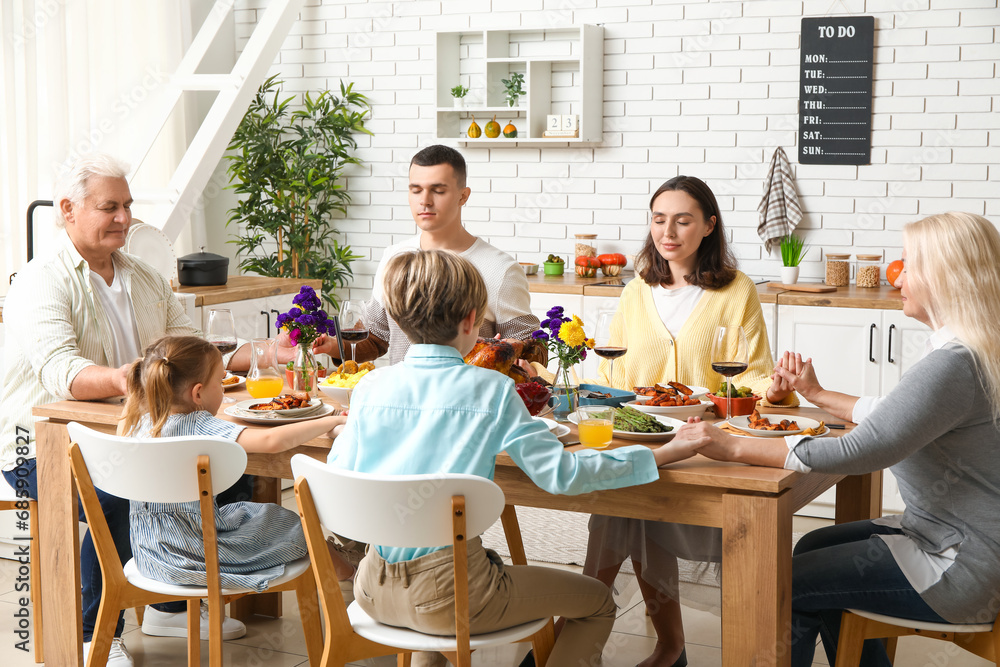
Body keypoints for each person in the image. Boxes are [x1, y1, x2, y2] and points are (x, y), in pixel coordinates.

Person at [326, 249, 710, 667]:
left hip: (373, 589)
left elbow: (340, 478)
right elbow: (562, 476)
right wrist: (663, 454)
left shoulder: (369, 388)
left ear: (397, 321)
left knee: (433, 623)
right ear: (471, 320)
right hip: (450, 594)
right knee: (597, 602)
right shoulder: (490, 390)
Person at [0, 154, 294, 666]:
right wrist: (131, 379)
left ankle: (169, 604)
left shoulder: (143, 276)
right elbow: (61, 371)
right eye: (109, 207)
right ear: (68, 209)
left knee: (229, 472)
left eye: (128, 206)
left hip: (138, 434)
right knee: (119, 494)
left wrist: (273, 352)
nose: (123, 218)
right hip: (37, 449)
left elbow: (197, 348)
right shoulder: (39, 280)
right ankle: (98, 631)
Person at [683, 211, 1000, 667]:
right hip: (961, 541)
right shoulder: (971, 350)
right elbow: (894, 417)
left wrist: (731, 445)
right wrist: (813, 393)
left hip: (957, 564)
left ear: (943, 276)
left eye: (908, 264)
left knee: (785, 584)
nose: (899, 276)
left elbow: (863, 449)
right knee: (812, 547)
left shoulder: (953, 364)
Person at [580, 175, 799, 667]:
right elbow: (613, 372)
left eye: (683, 220)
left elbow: (754, 374)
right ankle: (647, 645)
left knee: (625, 510)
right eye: (659, 219)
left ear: (708, 226)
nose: (668, 232)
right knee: (621, 508)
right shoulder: (637, 289)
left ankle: (581, 640)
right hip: (647, 434)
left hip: (709, 441)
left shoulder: (735, 290)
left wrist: (778, 391)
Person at [120, 336, 349, 597]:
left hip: (149, 555)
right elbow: (271, 440)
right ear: (197, 393)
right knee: (293, 522)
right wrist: (330, 420)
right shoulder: (198, 424)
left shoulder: (138, 422)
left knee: (248, 512)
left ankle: (345, 568)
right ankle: (349, 573)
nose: (222, 388)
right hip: (199, 556)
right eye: (220, 381)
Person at [346, 144, 539, 365]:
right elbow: (377, 338)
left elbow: (531, 347)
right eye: (416, 190)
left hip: (470, 397)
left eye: (438, 191)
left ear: (463, 196)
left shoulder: (500, 269)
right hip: (404, 397)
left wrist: (521, 358)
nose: (425, 200)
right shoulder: (395, 258)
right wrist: (333, 346)